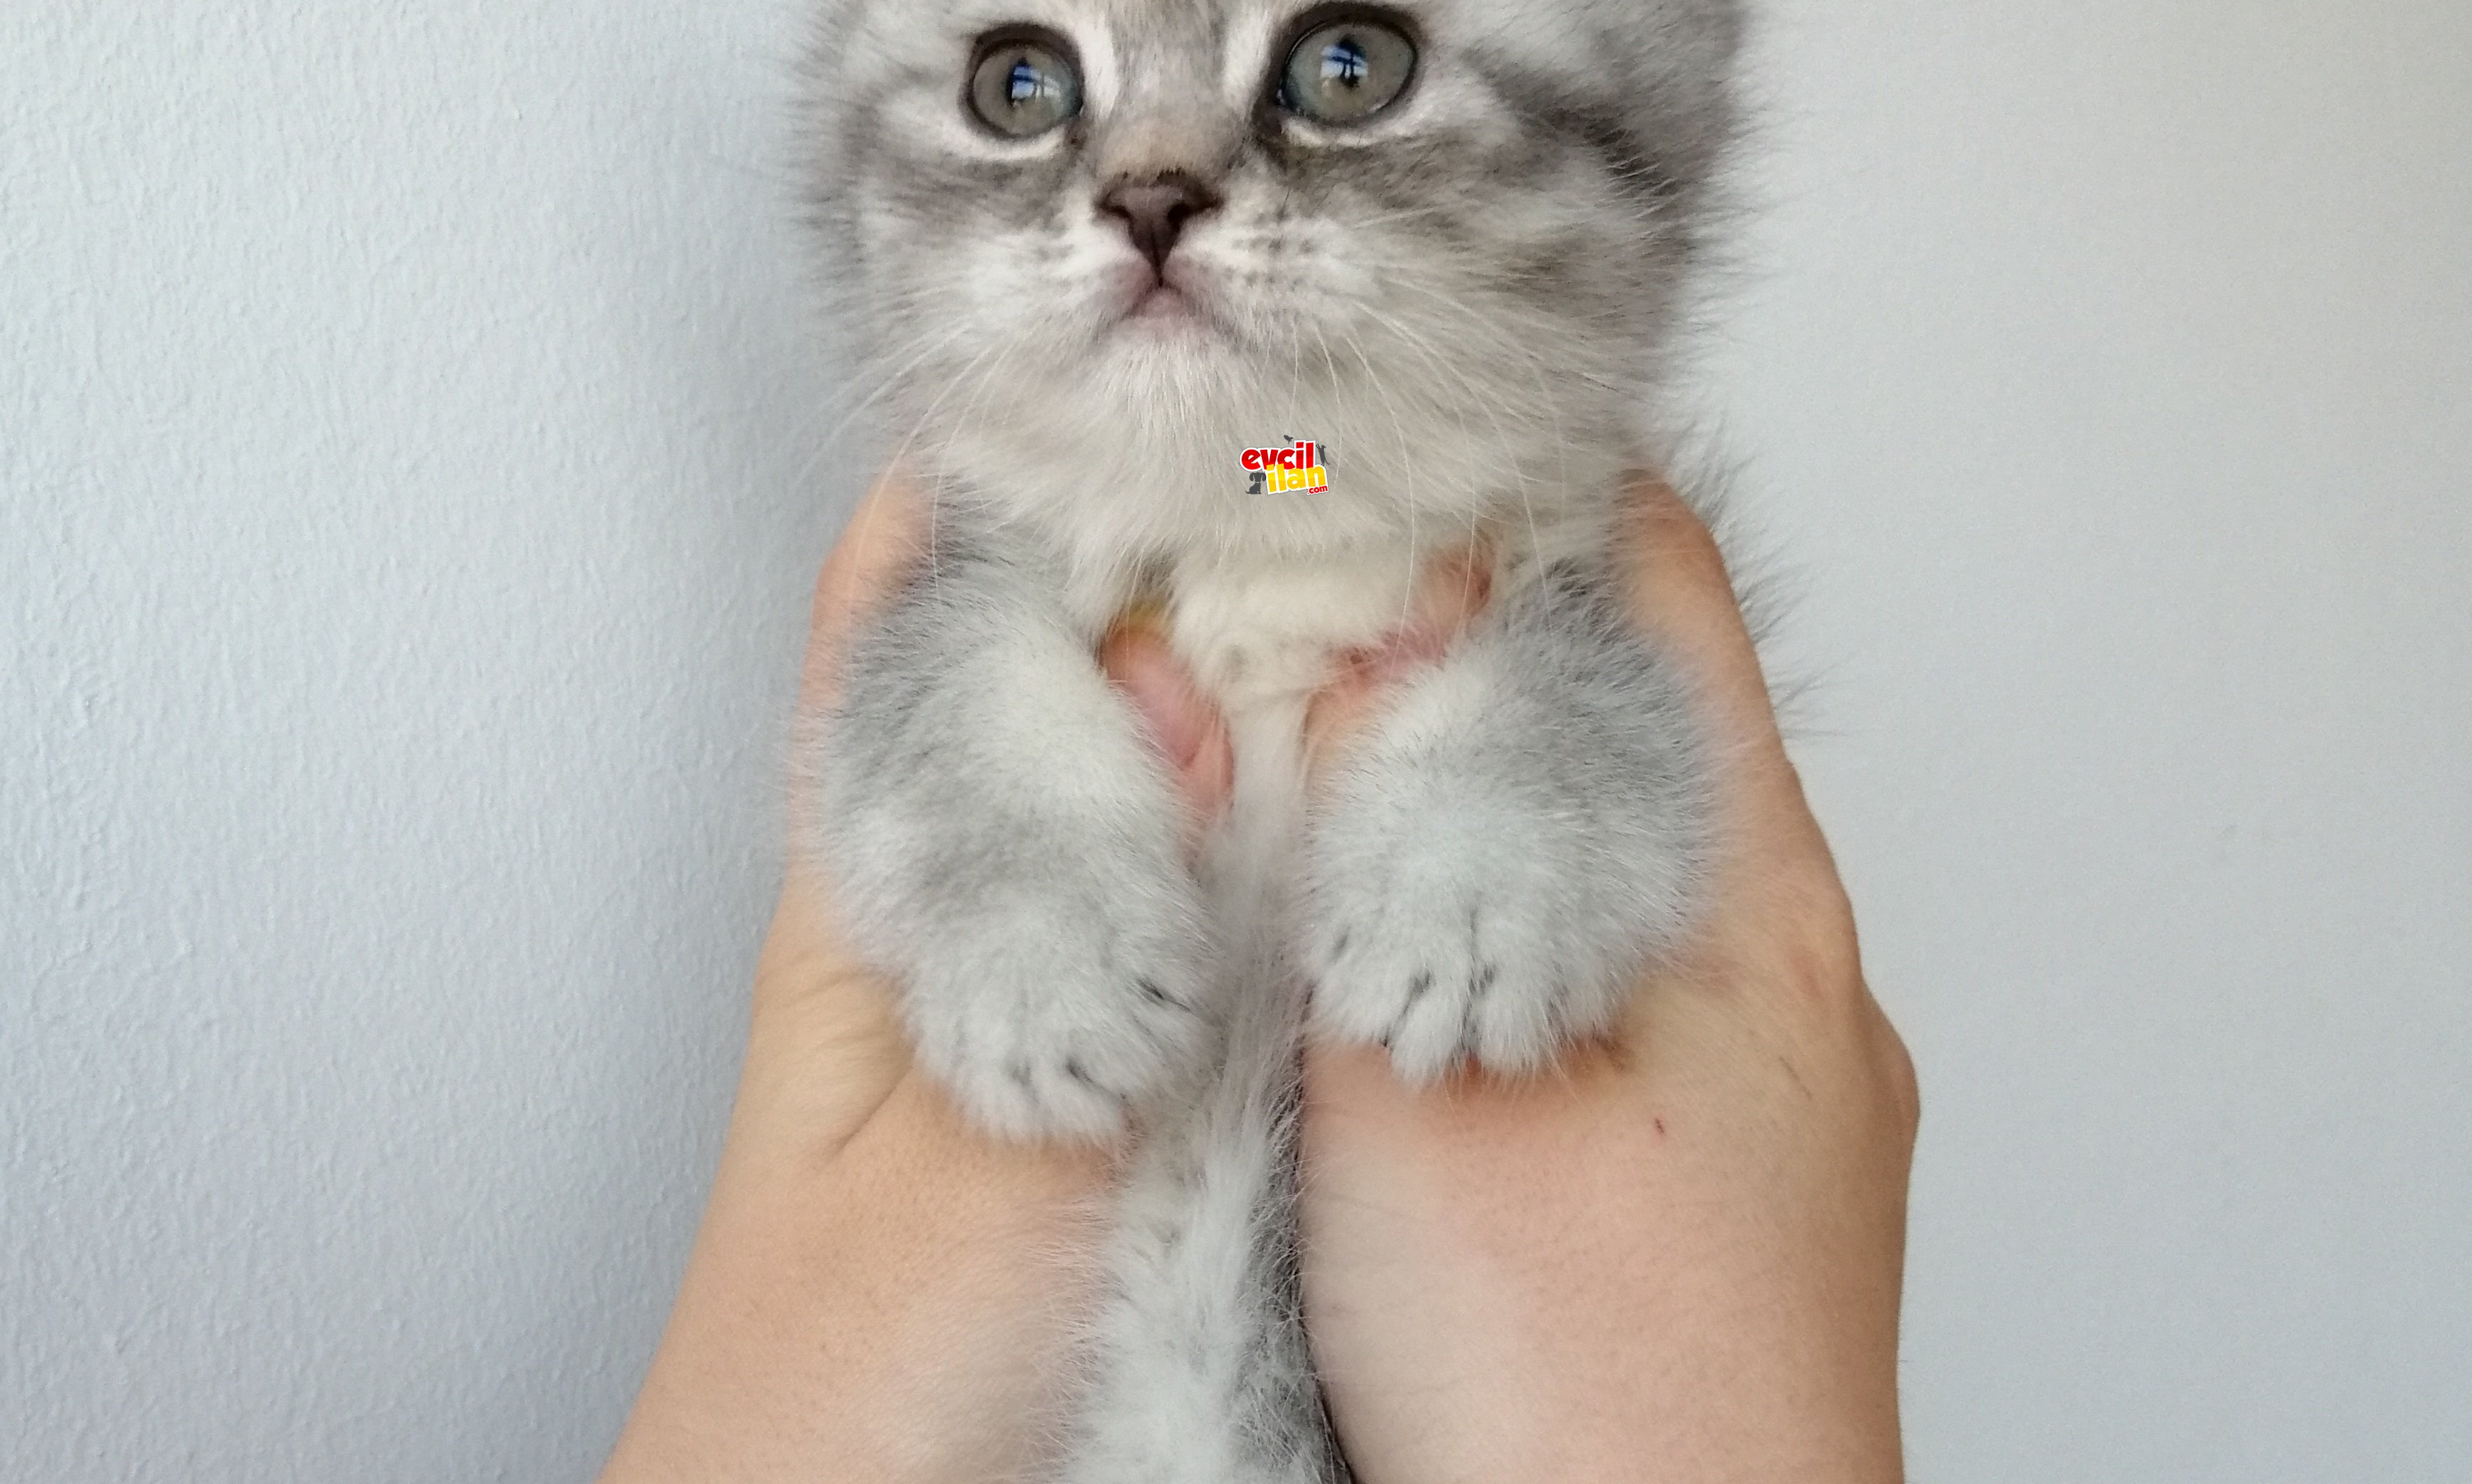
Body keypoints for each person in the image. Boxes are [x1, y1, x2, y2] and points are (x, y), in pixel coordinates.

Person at [601, 477, 1918, 1483]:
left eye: (1341, 93)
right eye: (1026, 97)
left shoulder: (1303, 461)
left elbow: (1272, 459)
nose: (1156, 192)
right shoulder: (1183, 475)